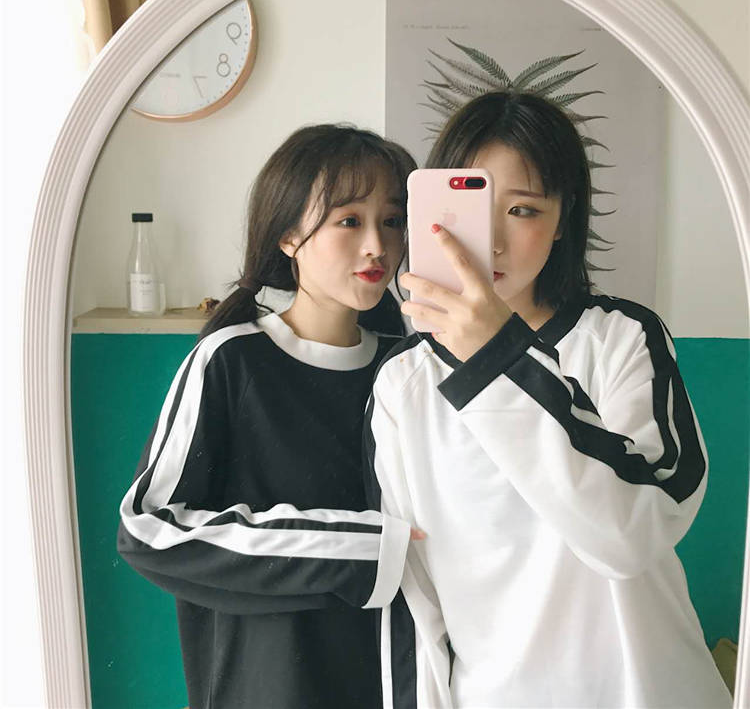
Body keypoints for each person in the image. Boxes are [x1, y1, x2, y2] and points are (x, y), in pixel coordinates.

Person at [365, 91, 733, 708]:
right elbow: (418, 602)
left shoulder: (622, 338)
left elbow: (632, 533)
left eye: (523, 210)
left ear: (564, 221)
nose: (493, 241)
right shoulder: (404, 382)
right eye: (470, 208)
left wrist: (496, 357)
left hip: (645, 691)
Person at [118, 124, 420, 709]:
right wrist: (365, 550)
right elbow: (148, 531)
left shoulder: (408, 365)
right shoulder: (232, 360)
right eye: (348, 221)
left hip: (396, 680)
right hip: (270, 686)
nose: (377, 246)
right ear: (288, 235)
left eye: (392, 220)